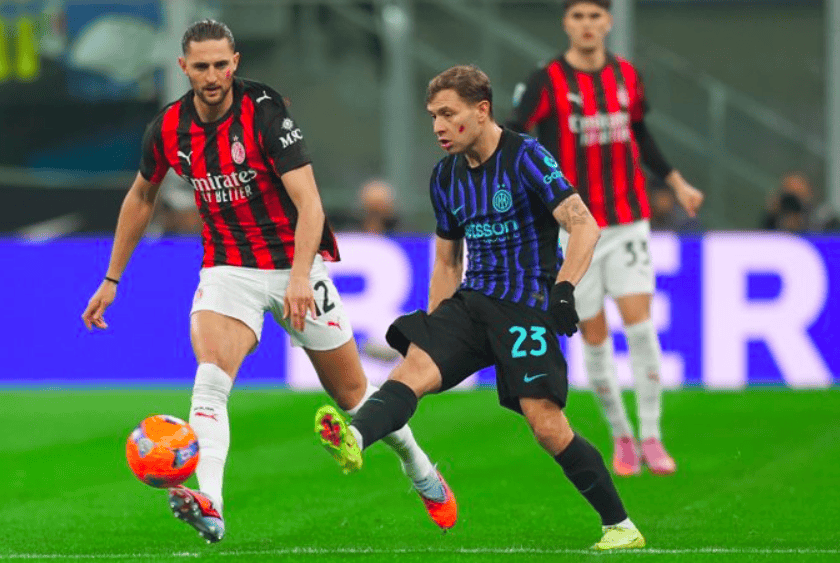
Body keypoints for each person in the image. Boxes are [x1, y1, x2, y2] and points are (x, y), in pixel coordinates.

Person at [80, 19, 456, 543]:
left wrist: (300, 276)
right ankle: (211, 504)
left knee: (352, 394)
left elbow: (309, 202)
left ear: (234, 63)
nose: (212, 76)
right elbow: (142, 197)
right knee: (210, 379)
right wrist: (112, 278)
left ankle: (420, 469)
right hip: (228, 268)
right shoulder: (168, 128)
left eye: (221, 65)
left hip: (292, 264)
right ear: (183, 67)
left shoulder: (265, 114)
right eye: (201, 66)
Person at [315, 65, 645, 551]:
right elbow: (447, 260)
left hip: (525, 306)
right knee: (411, 371)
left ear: (482, 110)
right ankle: (354, 438)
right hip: (472, 302)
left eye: (448, 114)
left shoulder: (526, 156)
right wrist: (434, 326)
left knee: (546, 425)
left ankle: (620, 525)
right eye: (433, 116)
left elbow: (584, 224)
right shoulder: (446, 176)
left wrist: (564, 289)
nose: (438, 127)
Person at [507, 0, 704, 476]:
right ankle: (622, 437)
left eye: (595, 16)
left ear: (608, 22)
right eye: (578, 16)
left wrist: (676, 182)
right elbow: (515, 133)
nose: (587, 25)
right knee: (594, 337)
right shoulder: (546, 79)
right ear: (566, 23)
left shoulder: (627, 75)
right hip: (574, 228)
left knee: (640, 327)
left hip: (627, 219)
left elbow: (640, 133)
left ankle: (652, 436)